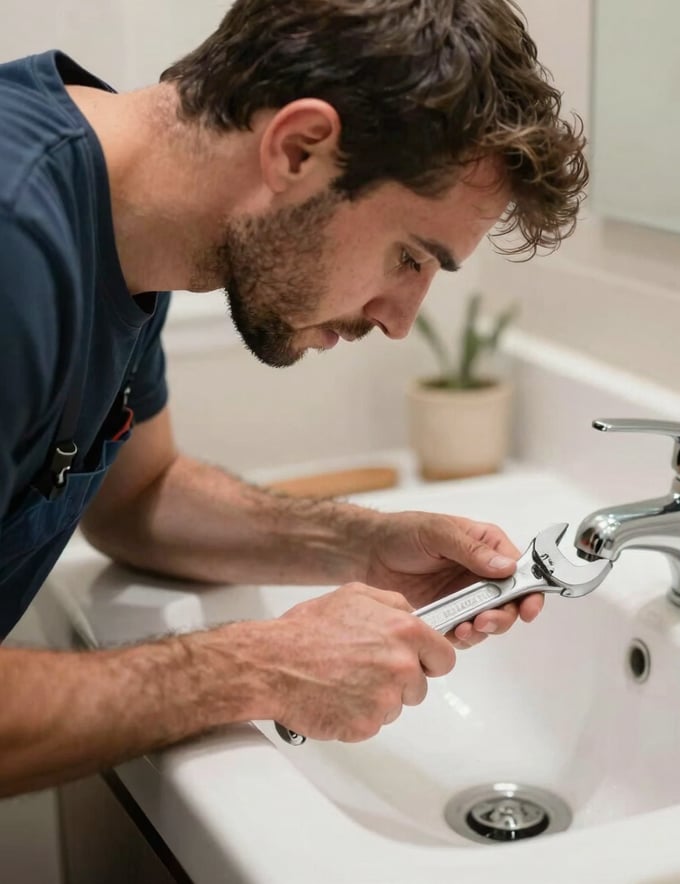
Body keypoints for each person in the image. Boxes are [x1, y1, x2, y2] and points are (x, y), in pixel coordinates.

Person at [0, 0, 587, 797]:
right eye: (409, 256)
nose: (399, 320)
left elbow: (138, 497)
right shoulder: (14, 240)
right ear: (300, 148)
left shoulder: (131, 230)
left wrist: (362, 545)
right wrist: (255, 666)